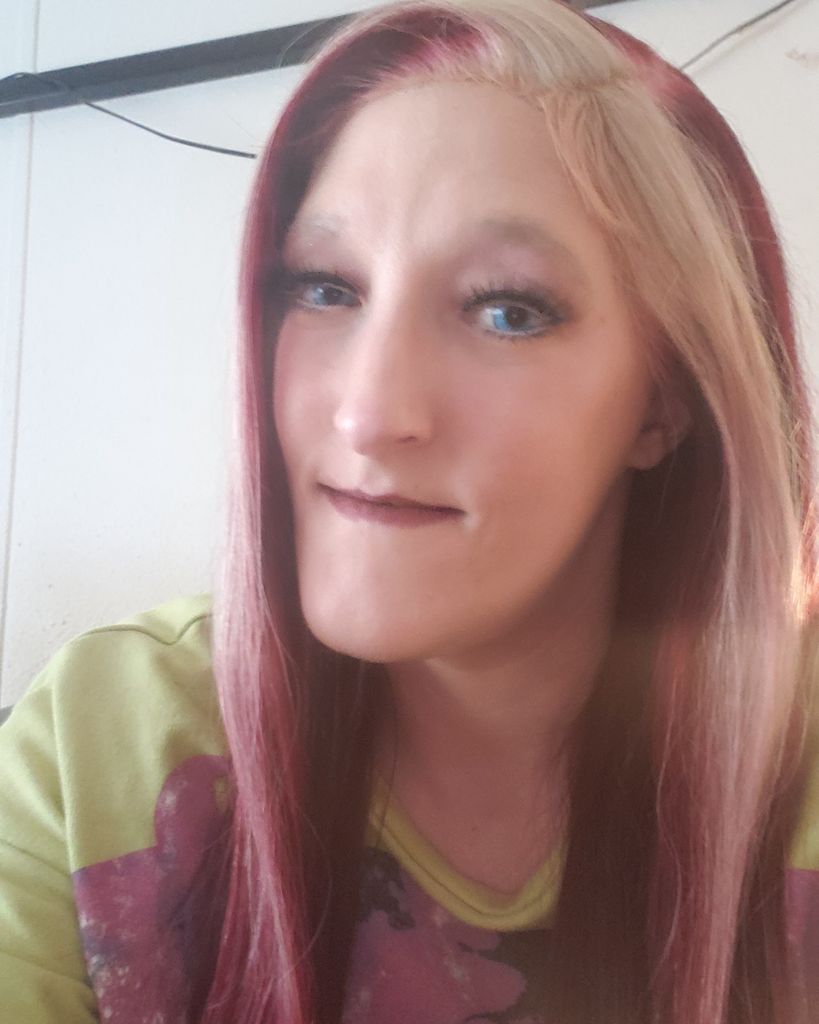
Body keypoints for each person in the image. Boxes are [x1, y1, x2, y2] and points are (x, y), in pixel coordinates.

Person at [1, 0, 817, 1021]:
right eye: (325, 287)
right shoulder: (103, 739)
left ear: (663, 402)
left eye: (507, 311)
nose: (370, 412)